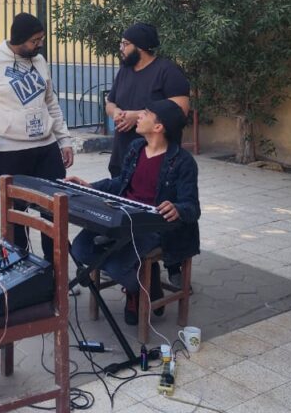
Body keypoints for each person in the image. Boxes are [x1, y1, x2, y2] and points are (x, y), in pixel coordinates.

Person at [67, 99, 200, 326]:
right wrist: (89, 187)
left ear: (158, 127)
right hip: (122, 217)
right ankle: (146, 282)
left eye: (145, 113)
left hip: (154, 227)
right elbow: (120, 182)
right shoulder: (136, 148)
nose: (139, 115)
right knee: (80, 249)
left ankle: (138, 289)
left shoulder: (183, 161)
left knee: (116, 266)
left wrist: (177, 208)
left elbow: (192, 207)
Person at [0, 12, 74, 260]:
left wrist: (64, 140)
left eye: (41, 39)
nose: (39, 45)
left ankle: (55, 269)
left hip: (46, 148)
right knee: (16, 217)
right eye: (34, 40)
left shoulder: (39, 61)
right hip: (10, 153)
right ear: (18, 39)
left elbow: (51, 102)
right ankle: (21, 267)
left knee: (54, 212)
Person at [105, 22, 190, 178]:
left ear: (140, 47)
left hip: (157, 159)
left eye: (125, 44)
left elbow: (180, 110)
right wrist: (115, 112)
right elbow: (110, 103)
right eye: (121, 44)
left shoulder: (167, 71)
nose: (121, 48)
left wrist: (136, 116)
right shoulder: (124, 70)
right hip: (122, 154)